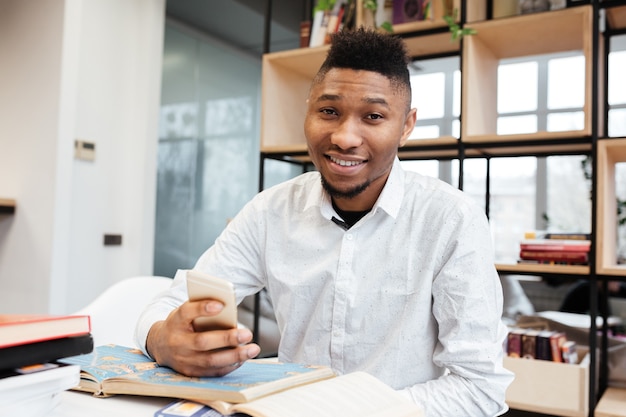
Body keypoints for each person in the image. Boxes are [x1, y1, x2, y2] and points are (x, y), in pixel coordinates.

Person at [136, 28, 513, 416]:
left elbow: (478, 387)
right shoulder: (270, 211)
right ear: (309, 110)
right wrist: (162, 339)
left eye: (374, 116)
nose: (345, 137)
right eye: (329, 111)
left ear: (406, 126)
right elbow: (173, 302)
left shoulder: (451, 219)